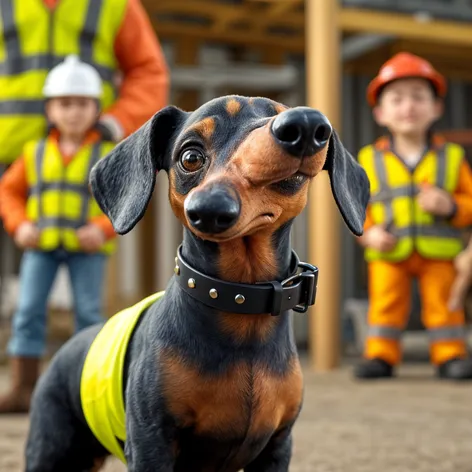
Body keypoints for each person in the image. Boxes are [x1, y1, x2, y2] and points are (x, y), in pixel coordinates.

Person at [0, 0, 169, 341]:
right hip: (10, 151)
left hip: (88, 155)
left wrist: (114, 124)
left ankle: (83, 371)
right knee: (31, 303)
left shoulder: (114, 5)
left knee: (86, 303)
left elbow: (148, 72)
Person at [0, 56, 118, 413]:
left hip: (88, 250)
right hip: (41, 248)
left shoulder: (107, 155)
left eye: (82, 104)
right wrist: (19, 224)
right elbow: (8, 192)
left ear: (96, 108)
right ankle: (23, 388)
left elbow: (123, 200)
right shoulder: (33, 153)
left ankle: (89, 387)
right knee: (28, 311)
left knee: (88, 314)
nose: (73, 112)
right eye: (64, 104)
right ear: (50, 109)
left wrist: (101, 229)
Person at [355, 52, 472, 380]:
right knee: (385, 304)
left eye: (419, 97)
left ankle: (450, 355)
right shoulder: (367, 159)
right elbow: (355, 206)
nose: (409, 107)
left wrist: (450, 206)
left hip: (440, 254)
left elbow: (470, 205)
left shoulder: (452, 157)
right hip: (388, 251)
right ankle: (380, 355)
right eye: (398, 99)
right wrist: (368, 233)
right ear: (380, 113)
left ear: (436, 108)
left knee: (445, 304)